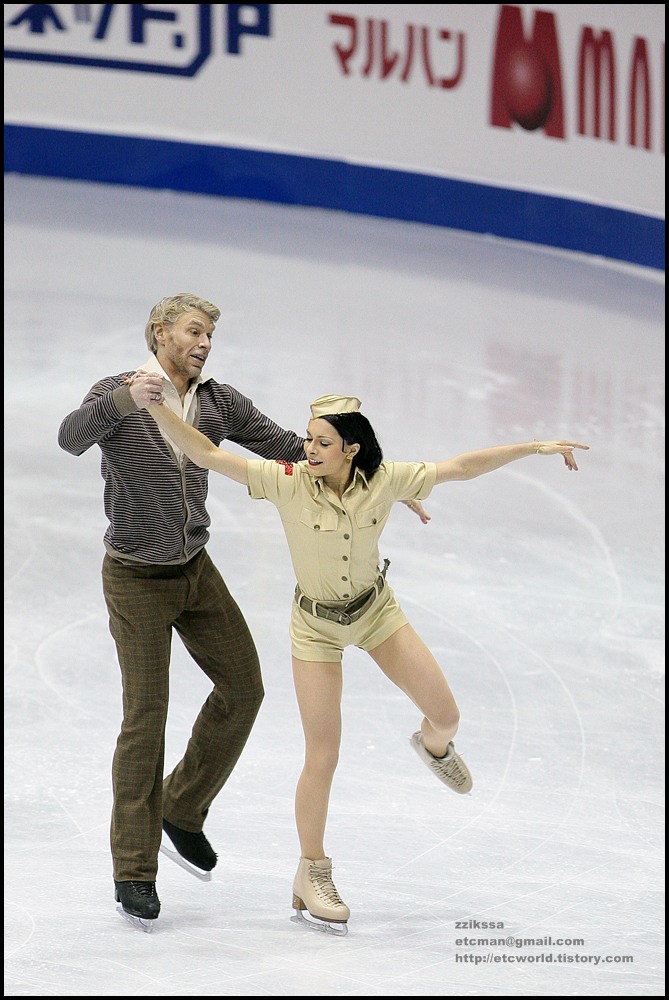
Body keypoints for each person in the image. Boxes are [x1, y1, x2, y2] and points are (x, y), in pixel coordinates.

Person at [136, 385, 589, 934]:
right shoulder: (287, 483)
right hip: (316, 630)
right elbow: (209, 453)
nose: (308, 449)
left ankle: (433, 745)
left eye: (322, 442)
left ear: (351, 449)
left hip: (376, 615)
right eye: (307, 439)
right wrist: (158, 407)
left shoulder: (384, 481)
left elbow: (462, 467)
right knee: (322, 755)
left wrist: (536, 446)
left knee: (446, 715)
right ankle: (312, 872)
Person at [57, 294, 428, 931]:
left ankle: (181, 806)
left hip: (196, 572)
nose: (203, 344)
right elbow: (70, 439)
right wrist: (122, 396)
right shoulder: (118, 393)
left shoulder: (218, 401)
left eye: (209, 335)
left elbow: (289, 448)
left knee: (244, 687)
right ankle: (133, 869)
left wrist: (370, 478)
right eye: (193, 332)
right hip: (135, 579)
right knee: (146, 719)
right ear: (159, 334)